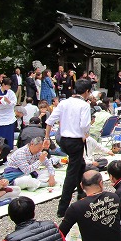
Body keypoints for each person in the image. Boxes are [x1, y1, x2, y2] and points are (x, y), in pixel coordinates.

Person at [45, 78, 92, 218]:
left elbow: (50, 121)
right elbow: (84, 125)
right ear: (87, 91)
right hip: (75, 140)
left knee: (80, 165)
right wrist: (85, 134)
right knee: (72, 173)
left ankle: (82, 193)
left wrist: (47, 137)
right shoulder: (84, 105)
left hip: (63, 140)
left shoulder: (64, 103)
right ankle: (62, 208)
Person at [58, 171, 121, 241]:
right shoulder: (114, 197)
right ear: (101, 183)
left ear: (81, 185)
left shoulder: (76, 207)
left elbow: (60, 234)